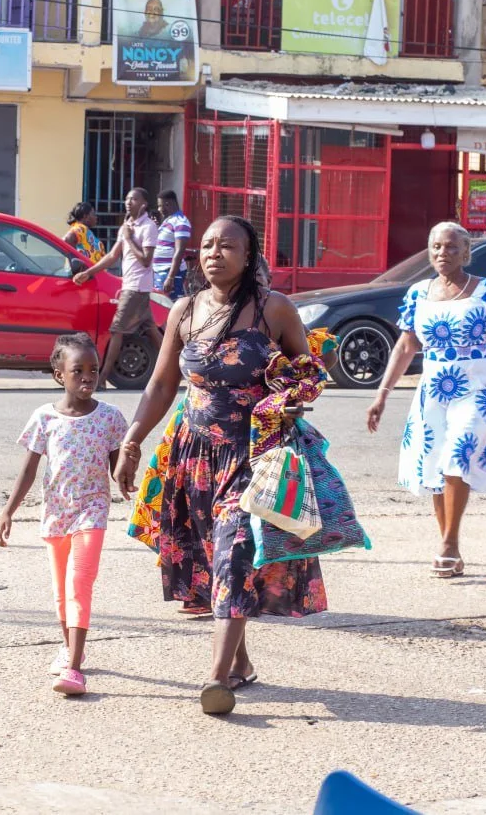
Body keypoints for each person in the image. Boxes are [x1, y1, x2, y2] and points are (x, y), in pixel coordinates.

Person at [114, 215, 327, 716]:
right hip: (192, 455)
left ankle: (215, 680)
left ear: (248, 255)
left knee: (233, 552)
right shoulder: (185, 311)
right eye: (207, 245)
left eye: (227, 245)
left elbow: (308, 371)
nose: (214, 253)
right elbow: (163, 385)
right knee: (211, 558)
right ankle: (241, 663)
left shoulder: (273, 310)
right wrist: (131, 441)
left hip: (252, 455)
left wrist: (290, 399)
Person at [366, 222, 486, 577]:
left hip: (479, 388)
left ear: (466, 252)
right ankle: (449, 543)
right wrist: (382, 395)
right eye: (437, 247)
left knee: (458, 456)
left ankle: (448, 544)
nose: (443, 254)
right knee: (437, 465)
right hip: (434, 388)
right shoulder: (418, 293)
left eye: (452, 247)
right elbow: (406, 346)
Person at [0, 333, 129, 697]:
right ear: (59, 375)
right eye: (78, 370)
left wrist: (129, 481)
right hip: (56, 512)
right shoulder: (44, 418)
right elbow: (29, 470)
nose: (88, 377)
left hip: (92, 510)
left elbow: (118, 469)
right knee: (60, 591)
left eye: (94, 370)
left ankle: (74, 667)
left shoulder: (110, 418)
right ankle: (68, 647)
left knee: (79, 584)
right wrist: (9, 512)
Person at [74, 188, 163, 389]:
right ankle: (180, 366)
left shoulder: (147, 227)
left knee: (117, 331)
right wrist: (90, 272)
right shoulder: (127, 226)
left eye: (134, 199)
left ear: (144, 204)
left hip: (136, 287)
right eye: (127, 199)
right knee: (151, 330)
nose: (128, 202)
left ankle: (103, 377)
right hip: (132, 286)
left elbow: (146, 261)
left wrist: (129, 238)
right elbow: (113, 256)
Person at [153, 190, 193, 300]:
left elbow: (179, 251)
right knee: (160, 306)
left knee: (170, 307)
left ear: (168, 204)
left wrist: (170, 277)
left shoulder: (180, 222)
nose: (159, 209)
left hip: (169, 272)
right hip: (160, 271)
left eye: (160, 206)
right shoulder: (168, 221)